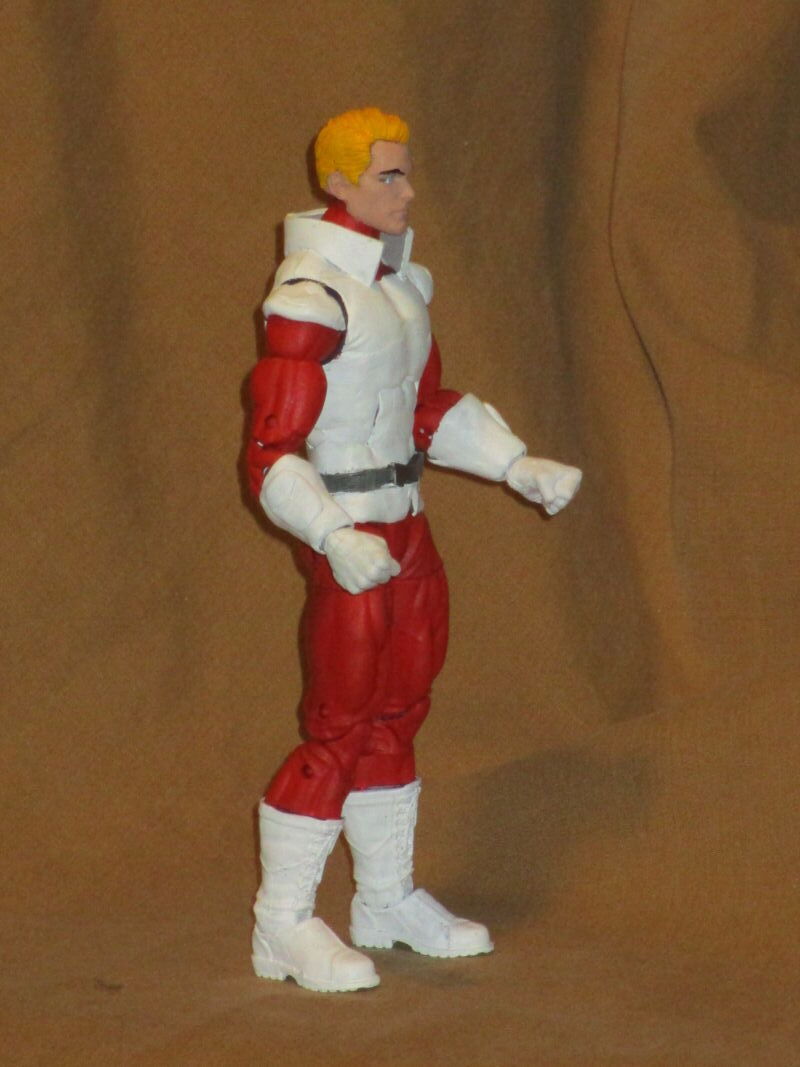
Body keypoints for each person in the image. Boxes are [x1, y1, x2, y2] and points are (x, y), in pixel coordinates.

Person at [246, 107, 582, 993]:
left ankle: (385, 897)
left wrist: (515, 463)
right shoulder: (311, 295)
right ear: (339, 183)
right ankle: (282, 921)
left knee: (398, 712)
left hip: (406, 522)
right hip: (351, 526)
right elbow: (270, 452)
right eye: (388, 176)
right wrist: (331, 534)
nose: (407, 191)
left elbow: (424, 408)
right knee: (338, 725)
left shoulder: (397, 286)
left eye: (405, 172)